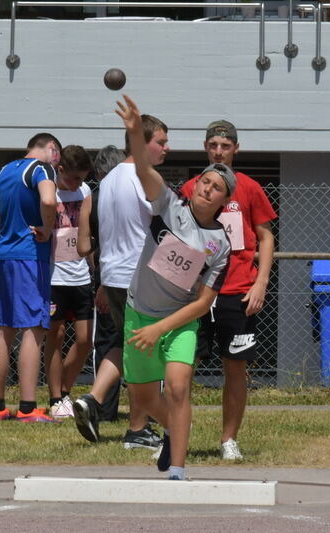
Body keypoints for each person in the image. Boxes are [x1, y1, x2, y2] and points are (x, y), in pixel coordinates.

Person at [116, 95, 232, 480]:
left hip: (179, 322)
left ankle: (178, 471)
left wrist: (162, 328)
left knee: (179, 388)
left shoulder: (220, 245)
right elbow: (144, 169)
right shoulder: (168, 205)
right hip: (139, 312)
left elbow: (202, 305)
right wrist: (135, 133)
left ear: (224, 201)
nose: (208, 189)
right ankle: (174, 429)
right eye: (205, 181)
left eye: (217, 187)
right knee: (147, 398)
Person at [179, 119, 277, 460]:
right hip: (196, 291)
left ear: (236, 148)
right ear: (205, 148)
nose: (218, 151)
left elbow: (265, 237)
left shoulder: (249, 188)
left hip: (238, 290)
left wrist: (261, 282)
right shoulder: (193, 186)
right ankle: (176, 433)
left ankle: (228, 439)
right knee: (183, 363)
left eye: (225, 146)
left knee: (235, 367)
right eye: (213, 146)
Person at [72, 116, 170, 449]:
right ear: (142, 144)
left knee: (125, 345)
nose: (166, 148)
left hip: (112, 276)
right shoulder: (145, 180)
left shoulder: (109, 179)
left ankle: (94, 399)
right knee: (146, 353)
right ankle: (138, 429)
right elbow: (167, 232)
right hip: (139, 279)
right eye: (161, 141)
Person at [0, 132, 61, 423]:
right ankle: (27, 407)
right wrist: (46, 229)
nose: (57, 163)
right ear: (50, 148)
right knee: (34, 328)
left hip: (4, 254)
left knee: (3, 329)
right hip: (29, 256)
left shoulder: (6, 170)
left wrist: (1, 220)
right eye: (57, 155)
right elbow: (49, 201)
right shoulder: (41, 168)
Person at [76, 145, 128, 424]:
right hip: (138, 280)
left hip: (107, 277)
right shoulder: (136, 195)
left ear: (99, 172)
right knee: (146, 343)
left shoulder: (93, 199)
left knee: (108, 342)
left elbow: (83, 246)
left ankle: (104, 409)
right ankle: (150, 408)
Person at [43, 145, 95, 418]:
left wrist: (93, 269)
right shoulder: (48, 189)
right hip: (53, 275)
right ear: (60, 169)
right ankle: (55, 398)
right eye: (73, 178)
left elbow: (88, 234)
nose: (78, 184)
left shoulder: (85, 192)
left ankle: (64, 389)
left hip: (80, 275)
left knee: (86, 339)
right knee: (56, 334)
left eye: (82, 178)